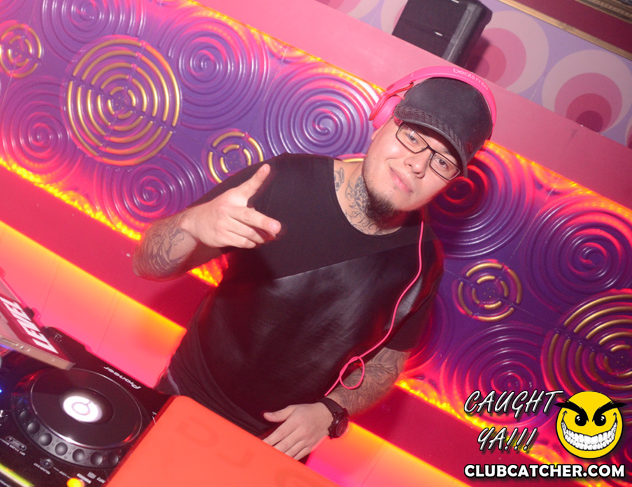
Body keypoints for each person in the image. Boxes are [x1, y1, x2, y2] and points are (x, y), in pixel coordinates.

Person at [133, 73, 495, 460]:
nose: (418, 164)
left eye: (442, 161)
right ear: (383, 120)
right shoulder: (284, 180)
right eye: (412, 136)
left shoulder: (423, 262)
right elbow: (147, 266)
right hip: (187, 397)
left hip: (278, 449)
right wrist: (191, 224)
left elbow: (387, 362)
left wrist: (331, 410)